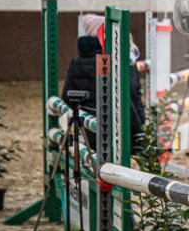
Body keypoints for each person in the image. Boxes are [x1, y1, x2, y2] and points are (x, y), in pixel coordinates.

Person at [62, 14, 147, 151]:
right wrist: (139, 130)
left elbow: (67, 97)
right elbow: (125, 98)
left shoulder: (76, 61)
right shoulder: (107, 61)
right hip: (115, 127)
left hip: (88, 126)